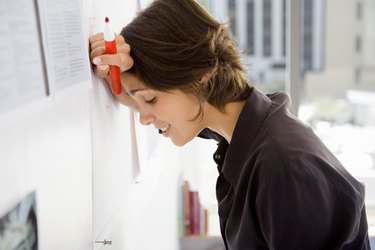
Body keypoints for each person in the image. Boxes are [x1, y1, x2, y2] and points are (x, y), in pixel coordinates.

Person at [89, 0, 371, 249]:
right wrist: (118, 68)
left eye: (150, 99)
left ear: (199, 75)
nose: (143, 117)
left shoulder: (282, 168)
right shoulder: (243, 130)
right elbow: (135, 95)